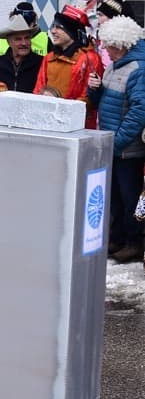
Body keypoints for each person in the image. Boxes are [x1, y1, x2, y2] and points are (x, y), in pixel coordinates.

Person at [88, 15, 145, 263]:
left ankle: (134, 242)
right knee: (116, 197)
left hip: (127, 149)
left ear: (120, 44)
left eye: (108, 45)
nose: (104, 49)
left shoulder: (138, 69)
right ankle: (118, 238)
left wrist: (119, 141)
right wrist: (95, 89)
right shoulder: (114, 66)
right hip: (113, 145)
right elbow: (104, 101)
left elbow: (139, 111)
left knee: (130, 197)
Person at [34, 5, 102, 126]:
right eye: (53, 26)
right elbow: (38, 90)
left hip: (77, 125)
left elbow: (89, 98)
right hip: (48, 122)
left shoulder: (90, 59)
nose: (53, 31)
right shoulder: (49, 58)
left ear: (72, 32)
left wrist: (63, 115)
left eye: (59, 27)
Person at [0, 14, 43, 94]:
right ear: (9, 42)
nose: (24, 43)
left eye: (27, 38)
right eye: (18, 39)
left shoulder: (41, 63)